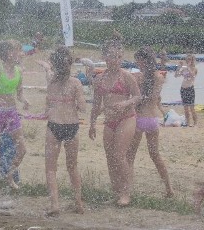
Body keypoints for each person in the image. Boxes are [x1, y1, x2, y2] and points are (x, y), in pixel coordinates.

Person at [88, 38, 141, 207]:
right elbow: (96, 104)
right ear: (104, 57)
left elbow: (138, 96)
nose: (116, 60)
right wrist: (92, 123)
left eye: (119, 57)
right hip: (109, 121)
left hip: (127, 118)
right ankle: (116, 192)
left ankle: (126, 193)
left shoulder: (126, 76)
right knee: (110, 157)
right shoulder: (100, 79)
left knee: (119, 155)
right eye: (112, 56)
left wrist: (125, 103)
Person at [0, 40, 30, 190]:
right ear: (9, 54)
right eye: (18, 51)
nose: (21, 54)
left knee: (22, 149)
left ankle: (9, 175)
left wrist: (25, 101)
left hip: (11, 112)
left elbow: (19, 93)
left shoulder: (19, 71)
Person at [44, 46, 87, 216]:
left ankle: (55, 204)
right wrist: (75, 104)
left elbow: (48, 105)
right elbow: (83, 108)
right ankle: (78, 202)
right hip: (71, 126)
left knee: (51, 168)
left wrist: (47, 68)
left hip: (54, 125)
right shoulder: (76, 83)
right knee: (72, 166)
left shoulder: (51, 82)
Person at [126, 47, 174, 197]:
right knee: (155, 155)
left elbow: (135, 96)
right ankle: (169, 189)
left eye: (138, 60)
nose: (136, 63)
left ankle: (128, 190)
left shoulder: (139, 77)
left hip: (139, 118)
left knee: (130, 156)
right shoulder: (158, 76)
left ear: (144, 60)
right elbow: (154, 97)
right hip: (152, 119)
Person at [175, 53, 198, 127]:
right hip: (183, 89)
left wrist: (187, 67)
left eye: (190, 59)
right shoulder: (184, 68)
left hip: (190, 89)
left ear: (192, 60)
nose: (188, 60)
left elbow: (193, 75)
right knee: (185, 108)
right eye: (187, 59)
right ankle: (188, 123)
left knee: (192, 108)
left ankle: (195, 123)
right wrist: (179, 67)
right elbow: (176, 75)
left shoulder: (194, 68)